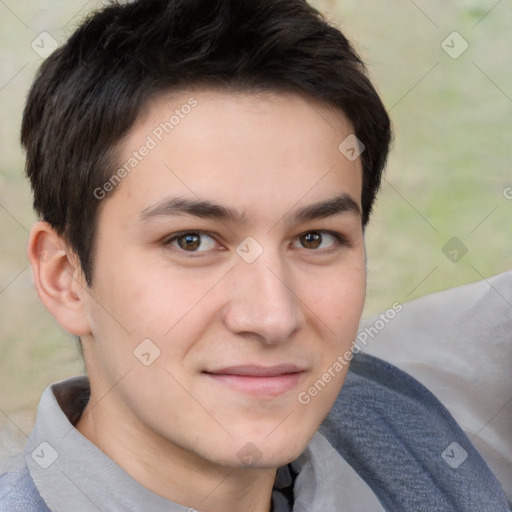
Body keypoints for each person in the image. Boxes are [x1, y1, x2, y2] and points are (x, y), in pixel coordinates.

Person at [0, 0, 508, 510]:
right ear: (65, 278)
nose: (273, 317)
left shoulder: (406, 427)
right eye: (192, 241)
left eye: (315, 238)